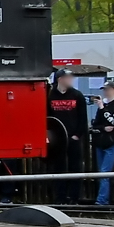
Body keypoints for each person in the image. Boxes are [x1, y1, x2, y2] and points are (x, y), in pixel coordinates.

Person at [47, 69, 90, 203]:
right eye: (68, 77)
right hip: (57, 140)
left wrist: (77, 135)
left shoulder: (77, 95)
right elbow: (47, 117)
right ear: (60, 79)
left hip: (73, 138)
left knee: (75, 167)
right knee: (58, 168)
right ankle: (59, 197)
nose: (71, 80)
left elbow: (83, 118)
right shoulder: (50, 96)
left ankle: (74, 198)